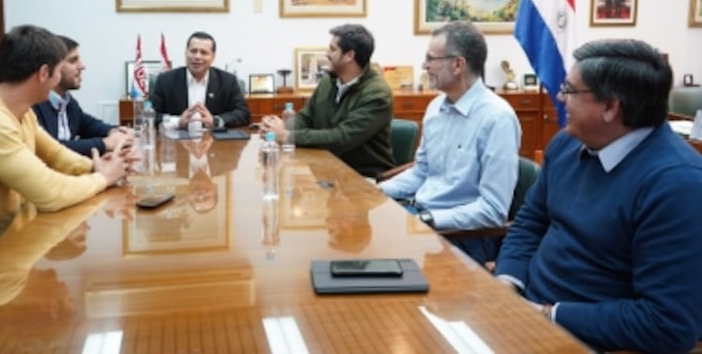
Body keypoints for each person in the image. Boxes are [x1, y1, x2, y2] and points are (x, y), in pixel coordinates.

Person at [494, 39, 702, 353]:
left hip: (584, 339)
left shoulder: (677, 186)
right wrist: (507, 281)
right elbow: (531, 222)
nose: (560, 98)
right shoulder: (566, 145)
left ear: (610, 107)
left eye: (569, 90)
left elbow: (667, 323)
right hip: (524, 317)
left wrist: (550, 315)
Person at [0, 25, 132, 260]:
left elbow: (58, 156)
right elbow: (50, 194)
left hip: (15, 243)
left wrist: (102, 165)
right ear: (44, 73)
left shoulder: (21, 112)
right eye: (59, 70)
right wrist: (103, 177)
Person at [378, 21, 520, 264]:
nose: (424, 66)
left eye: (431, 59)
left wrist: (427, 219)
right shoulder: (436, 108)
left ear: (458, 65)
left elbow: (493, 211)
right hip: (422, 217)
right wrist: (375, 190)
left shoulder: (497, 118)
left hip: (464, 236)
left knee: (379, 261)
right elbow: (422, 172)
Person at [261, 24, 395, 178]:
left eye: (332, 49)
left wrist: (286, 136)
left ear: (349, 55)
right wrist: (276, 128)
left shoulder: (377, 95)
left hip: (363, 178)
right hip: (325, 169)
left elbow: (341, 138)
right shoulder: (328, 81)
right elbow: (306, 117)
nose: (327, 54)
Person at [33, 35, 134, 157]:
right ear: (51, 68)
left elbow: (88, 125)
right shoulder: (34, 104)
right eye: (73, 61)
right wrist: (104, 144)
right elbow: (51, 148)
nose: (82, 66)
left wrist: (115, 131)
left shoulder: (67, 101)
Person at [151, 31, 250, 130]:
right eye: (193, 51)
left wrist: (215, 121)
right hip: (177, 141)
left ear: (213, 57)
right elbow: (151, 115)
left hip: (215, 142)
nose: (197, 57)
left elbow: (243, 114)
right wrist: (178, 122)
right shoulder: (165, 81)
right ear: (186, 53)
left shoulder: (227, 81)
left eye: (204, 52)